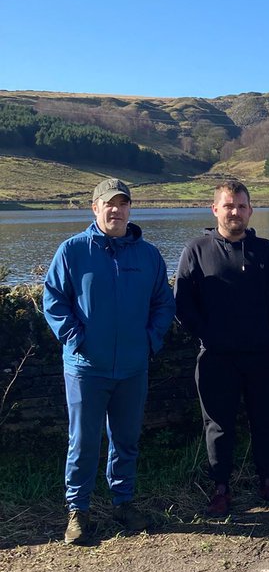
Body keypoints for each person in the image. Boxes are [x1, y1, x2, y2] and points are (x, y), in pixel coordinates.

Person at [42, 178, 175, 544]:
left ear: (130, 209)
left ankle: (123, 503)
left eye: (122, 203)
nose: (115, 210)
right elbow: (53, 299)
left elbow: (164, 302)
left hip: (133, 367)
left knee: (127, 439)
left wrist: (150, 340)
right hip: (86, 368)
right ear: (95, 208)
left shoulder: (147, 255)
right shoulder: (72, 251)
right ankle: (77, 511)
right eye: (108, 204)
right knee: (83, 441)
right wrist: (75, 338)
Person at [174, 179, 269, 516]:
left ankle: (268, 481)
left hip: (264, 355)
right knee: (218, 425)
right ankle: (221, 487)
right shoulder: (196, 250)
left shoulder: (267, 251)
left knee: (265, 420)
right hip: (216, 357)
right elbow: (183, 303)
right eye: (229, 206)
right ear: (215, 210)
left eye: (241, 206)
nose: (235, 212)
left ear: (250, 210)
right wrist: (207, 336)